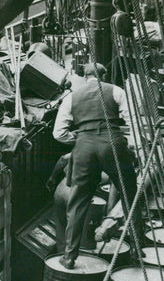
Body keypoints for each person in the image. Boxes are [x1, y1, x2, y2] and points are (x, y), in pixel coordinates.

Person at [52, 63, 140, 269]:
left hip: (84, 146)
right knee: (130, 195)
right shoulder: (116, 90)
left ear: (84, 76)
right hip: (112, 142)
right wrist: (134, 145)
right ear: (104, 75)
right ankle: (137, 248)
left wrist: (78, 137)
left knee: (78, 201)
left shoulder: (71, 97)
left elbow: (58, 133)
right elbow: (133, 120)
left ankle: (69, 257)